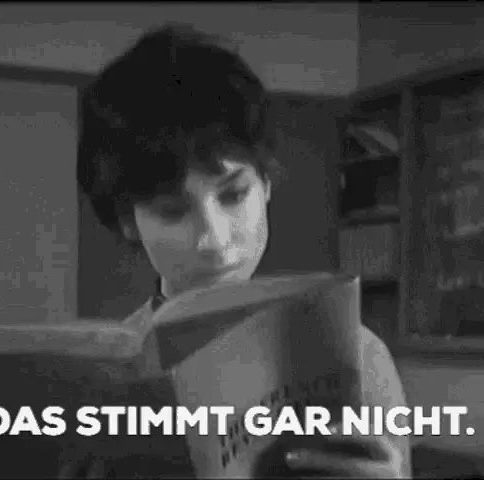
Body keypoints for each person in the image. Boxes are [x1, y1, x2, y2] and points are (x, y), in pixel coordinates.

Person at [73, 23, 411, 478]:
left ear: (266, 183)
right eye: (173, 211)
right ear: (127, 222)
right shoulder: (105, 376)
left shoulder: (357, 357)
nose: (214, 240)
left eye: (234, 195)